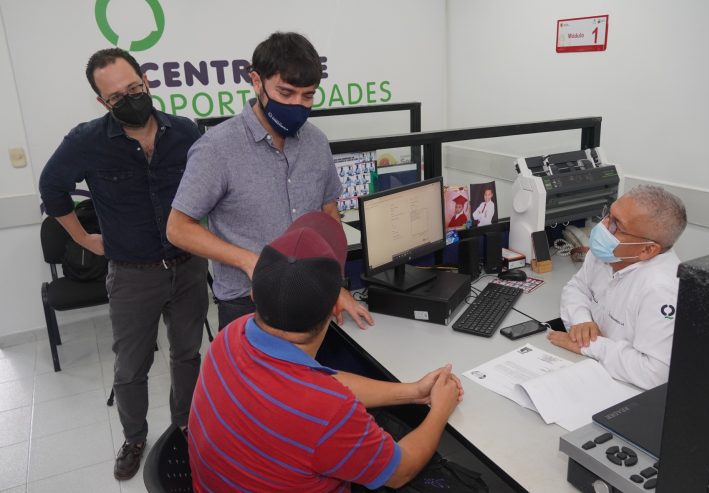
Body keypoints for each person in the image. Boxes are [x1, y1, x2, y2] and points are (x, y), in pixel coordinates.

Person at [187, 212, 463, 492]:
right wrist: (440, 409)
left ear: (254, 295)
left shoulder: (230, 335)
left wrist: (411, 391)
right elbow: (401, 472)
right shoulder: (329, 412)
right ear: (335, 308)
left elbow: (327, 383)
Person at [38, 48, 208, 480]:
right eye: (117, 96)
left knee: (188, 354)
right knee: (131, 367)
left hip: (187, 268)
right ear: (102, 103)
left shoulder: (185, 132)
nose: (130, 98)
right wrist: (84, 239)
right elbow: (51, 189)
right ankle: (134, 437)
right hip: (133, 276)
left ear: (146, 81)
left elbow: (211, 185)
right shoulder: (87, 141)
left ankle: (187, 424)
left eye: (134, 87)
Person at [167, 31, 372, 330]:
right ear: (256, 81)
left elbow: (328, 213)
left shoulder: (316, 142)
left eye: (308, 95)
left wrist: (335, 284)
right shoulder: (217, 148)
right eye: (286, 93)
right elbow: (178, 228)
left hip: (311, 291)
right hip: (246, 303)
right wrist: (249, 261)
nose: (298, 105)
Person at [548, 185, 687, 390]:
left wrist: (590, 346)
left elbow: (654, 373)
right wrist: (581, 320)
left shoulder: (662, 288)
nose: (603, 227)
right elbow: (576, 288)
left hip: (628, 389)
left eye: (616, 226)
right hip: (593, 369)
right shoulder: (607, 252)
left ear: (648, 249)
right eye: (608, 215)